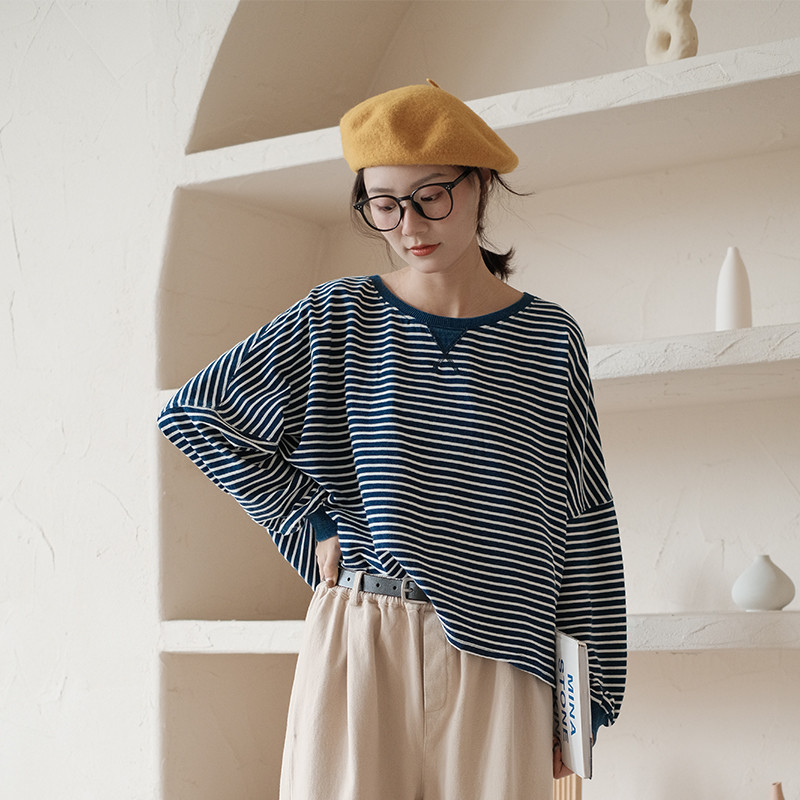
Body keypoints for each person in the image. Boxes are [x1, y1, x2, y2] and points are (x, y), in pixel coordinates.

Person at [158, 80, 626, 800]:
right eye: (383, 204)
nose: (408, 224)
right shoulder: (338, 315)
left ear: (479, 184)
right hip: (363, 637)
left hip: (505, 654)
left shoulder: (548, 338)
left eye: (430, 196)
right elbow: (198, 415)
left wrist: (586, 699)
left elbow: (583, 516)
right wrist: (309, 517)